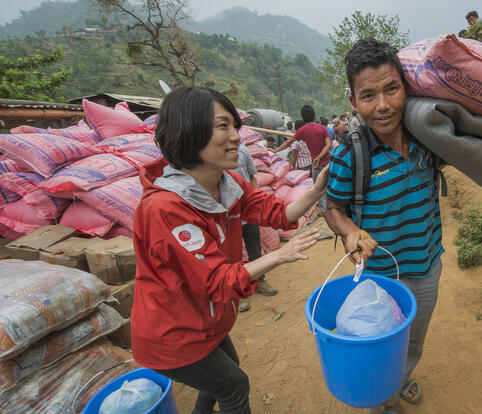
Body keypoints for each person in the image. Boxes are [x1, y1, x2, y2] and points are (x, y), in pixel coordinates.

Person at [131, 86, 328, 414]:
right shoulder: (165, 208)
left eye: (235, 126)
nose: (236, 136)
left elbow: (273, 212)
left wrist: (315, 189)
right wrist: (278, 255)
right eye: (223, 126)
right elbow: (214, 281)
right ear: (188, 131)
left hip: (205, 320)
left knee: (225, 375)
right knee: (234, 385)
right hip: (174, 332)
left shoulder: (229, 182)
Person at [325, 38, 444, 414]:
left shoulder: (428, 137)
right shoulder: (351, 154)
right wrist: (349, 232)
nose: (382, 105)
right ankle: (383, 401)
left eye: (392, 89)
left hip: (427, 267)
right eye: (368, 95)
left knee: (413, 342)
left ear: (406, 88)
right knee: (381, 345)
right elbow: (333, 207)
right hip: (379, 278)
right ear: (353, 101)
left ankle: (400, 378)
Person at [230, 145, 277, 313]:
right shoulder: (210, 156)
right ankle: (237, 293)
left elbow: (252, 179)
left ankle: (260, 282)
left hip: (247, 214)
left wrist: (255, 203)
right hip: (227, 217)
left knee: (255, 251)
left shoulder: (243, 151)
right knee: (232, 258)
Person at [270, 105, 330, 215]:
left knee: (319, 188)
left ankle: (324, 210)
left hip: (317, 165)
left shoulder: (301, 131)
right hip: (328, 162)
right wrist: (320, 156)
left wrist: (274, 151)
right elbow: (328, 145)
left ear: (303, 117)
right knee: (329, 185)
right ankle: (330, 208)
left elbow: (287, 143)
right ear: (314, 115)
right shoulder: (322, 128)